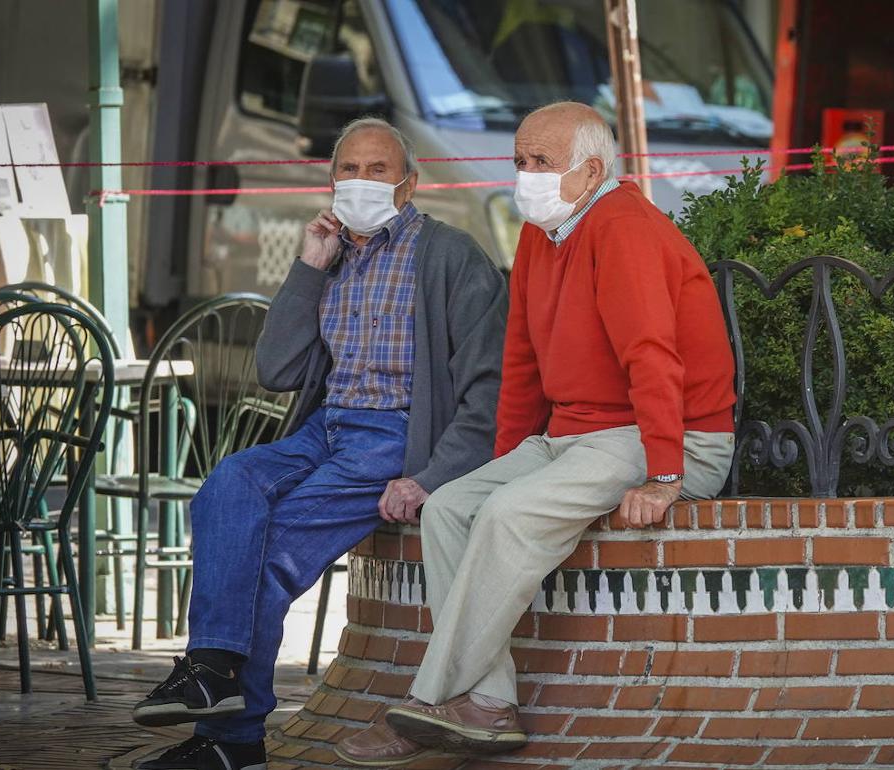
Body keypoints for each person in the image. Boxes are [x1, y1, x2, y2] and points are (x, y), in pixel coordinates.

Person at [336, 102, 736, 765]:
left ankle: (427, 702)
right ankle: (489, 705)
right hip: (581, 438)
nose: (525, 175)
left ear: (592, 171)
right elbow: (521, 363)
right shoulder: (542, 234)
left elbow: (652, 357)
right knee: (454, 508)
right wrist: (505, 461)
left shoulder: (624, 228)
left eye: (541, 163)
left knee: (508, 513)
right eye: (519, 161)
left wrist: (665, 476)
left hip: (665, 438)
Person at [130, 118, 508, 770]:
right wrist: (308, 268)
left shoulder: (448, 255)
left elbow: (488, 389)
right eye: (349, 171)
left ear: (410, 184)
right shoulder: (332, 258)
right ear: (331, 182)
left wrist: (433, 474)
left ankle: (232, 739)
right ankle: (215, 669)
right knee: (229, 482)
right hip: (324, 430)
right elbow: (274, 370)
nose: (361, 183)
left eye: (378, 171)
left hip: (394, 437)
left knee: (268, 553)